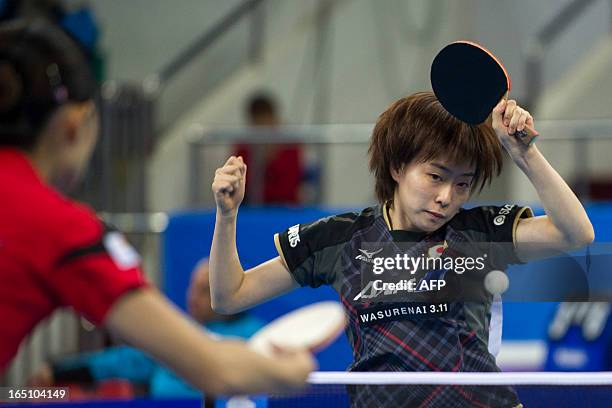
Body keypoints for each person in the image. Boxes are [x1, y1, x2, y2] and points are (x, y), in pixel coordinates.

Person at [209, 92, 594, 407]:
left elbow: (576, 233)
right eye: (435, 176)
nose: (446, 197)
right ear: (396, 166)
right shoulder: (340, 239)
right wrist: (227, 216)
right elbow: (229, 296)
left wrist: (525, 153)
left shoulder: (479, 233)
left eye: (463, 184)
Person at [0, 19, 315, 396]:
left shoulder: (248, 332)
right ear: (76, 125)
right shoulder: (62, 228)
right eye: (198, 287)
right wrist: (294, 371)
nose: (199, 297)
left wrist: (31, 392)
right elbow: (218, 371)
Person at [30, 260, 266, 399]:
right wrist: (58, 373)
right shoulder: (175, 334)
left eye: (204, 290)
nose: (193, 297)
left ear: (228, 289)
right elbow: (120, 362)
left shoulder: (260, 337)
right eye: (192, 288)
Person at [233, 92, 303, 205]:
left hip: (285, 206)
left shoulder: (290, 145)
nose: (262, 128)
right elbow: (241, 185)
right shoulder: (244, 147)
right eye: (258, 124)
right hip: (252, 206)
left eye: (266, 122)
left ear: (274, 120)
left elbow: (290, 187)